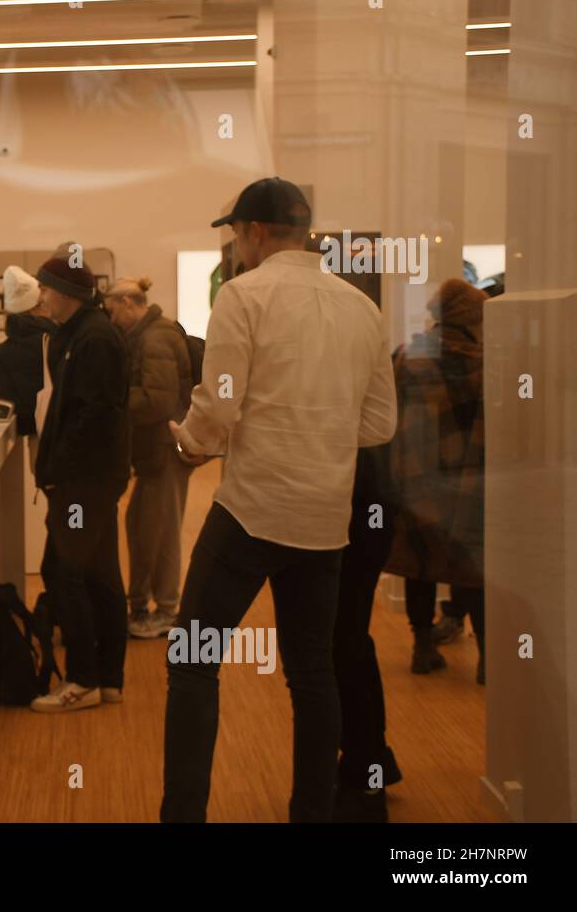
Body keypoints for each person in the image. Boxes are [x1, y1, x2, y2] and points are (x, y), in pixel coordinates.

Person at [161, 177, 398, 822]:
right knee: (312, 673)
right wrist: (319, 429)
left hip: (251, 512)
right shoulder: (363, 308)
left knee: (193, 660)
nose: (236, 248)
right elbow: (379, 425)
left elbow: (220, 407)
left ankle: (182, 817)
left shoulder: (242, 296)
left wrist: (190, 442)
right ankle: (312, 814)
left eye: (236, 234)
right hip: (325, 519)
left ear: (256, 232)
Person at [29, 255, 130, 712]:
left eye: (45, 287)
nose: (41, 295)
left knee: (64, 573)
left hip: (84, 484)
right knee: (99, 574)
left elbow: (95, 415)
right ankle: (108, 679)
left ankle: (84, 679)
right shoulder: (77, 334)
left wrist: (60, 469)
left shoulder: (94, 338)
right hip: (86, 480)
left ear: (65, 293)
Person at [385, 279, 487, 683]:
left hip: (418, 476)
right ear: (471, 319)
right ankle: (487, 658)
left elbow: (389, 416)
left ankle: (423, 647)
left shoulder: (410, 356)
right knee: (475, 567)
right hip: (472, 479)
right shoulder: (487, 361)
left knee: (419, 564)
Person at [102, 277, 194, 640]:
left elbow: (157, 400)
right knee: (144, 526)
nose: (110, 319)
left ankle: (167, 610)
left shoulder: (155, 338)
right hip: (158, 449)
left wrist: (113, 401)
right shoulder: (149, 334)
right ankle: (144, 605)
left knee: (161, 531)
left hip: (165, 448)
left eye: (112, 311)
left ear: (128, 302)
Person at [333, 445, 404, 822]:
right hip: (364, 509)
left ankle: (366, 778)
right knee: (351, 643)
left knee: (344, 647)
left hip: (359, 513)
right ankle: (372, 763)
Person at [0, 266, 57, 453]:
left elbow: (10, 405)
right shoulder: (58, 341)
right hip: (65, 437)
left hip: (35, 440)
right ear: (38, 307)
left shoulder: (1, 355)